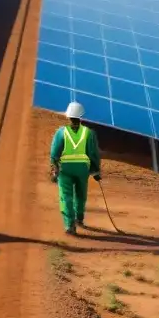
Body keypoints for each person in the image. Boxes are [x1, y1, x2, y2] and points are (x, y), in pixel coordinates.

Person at [49, 101, 101, 235]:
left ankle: (70, 225)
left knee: (66, 196)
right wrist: (95, 171)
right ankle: (80, 218)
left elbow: (54, 153)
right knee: (81, 194)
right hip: (82, 169)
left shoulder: (61, 132)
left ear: (68, 116)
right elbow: (93, 154)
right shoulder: (89, 133)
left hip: (65, 169)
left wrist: (54, 169)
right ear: (81, 117)